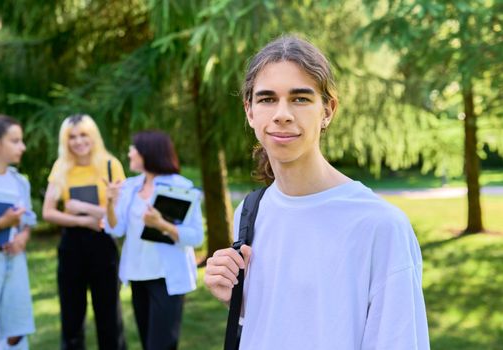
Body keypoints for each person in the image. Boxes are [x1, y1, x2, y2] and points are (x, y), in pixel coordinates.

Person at [204, 36, 430, 349]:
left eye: (300, 99)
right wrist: (237, 300)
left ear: (328, 110)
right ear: (250, 111)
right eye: (267, 99)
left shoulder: (381, 226)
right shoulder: (251, 210)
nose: (282, 113)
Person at [104, 130, 204, 350]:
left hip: (166, 278)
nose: (129, 153)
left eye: (134, 149)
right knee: (148, 343)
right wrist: (110, 202)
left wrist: (162, 225)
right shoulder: (129, 187)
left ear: (148, 153)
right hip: (138, 275)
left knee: (161, 345)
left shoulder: (181, 186)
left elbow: (196, 236)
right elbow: (115, 228)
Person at [42, 114, 126, 350]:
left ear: (93, 137)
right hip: (71, 247)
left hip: (103, 247)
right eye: (72, 137)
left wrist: (81, 208)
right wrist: (82, 221)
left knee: (109, 317)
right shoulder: (61, 167)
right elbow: (48, 212)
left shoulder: (111, 165)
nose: (78, 142)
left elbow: (119, 215)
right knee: (71, 318)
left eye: (83, 135)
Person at [0, 114, 37, 350]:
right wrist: (1, 224)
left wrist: (22, 237)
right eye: (15, 141)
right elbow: (5, 222)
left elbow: (27, 221)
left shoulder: (20, 181)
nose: (22, 147)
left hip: (14, 262)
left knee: (16, 334)